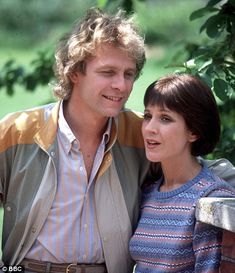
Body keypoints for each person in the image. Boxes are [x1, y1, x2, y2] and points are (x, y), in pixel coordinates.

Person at [0, 8, 234, 273]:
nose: (121, 86)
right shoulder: (17, 131)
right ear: (74, 72)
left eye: (129, 74)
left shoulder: (140, 132)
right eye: (108, 72)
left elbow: (195, 168)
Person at [129, 73, 235, 273]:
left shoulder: (211, 198)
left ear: (194, 131)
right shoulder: (149, 192)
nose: (150, 128)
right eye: (148, 116)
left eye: (165, 118)